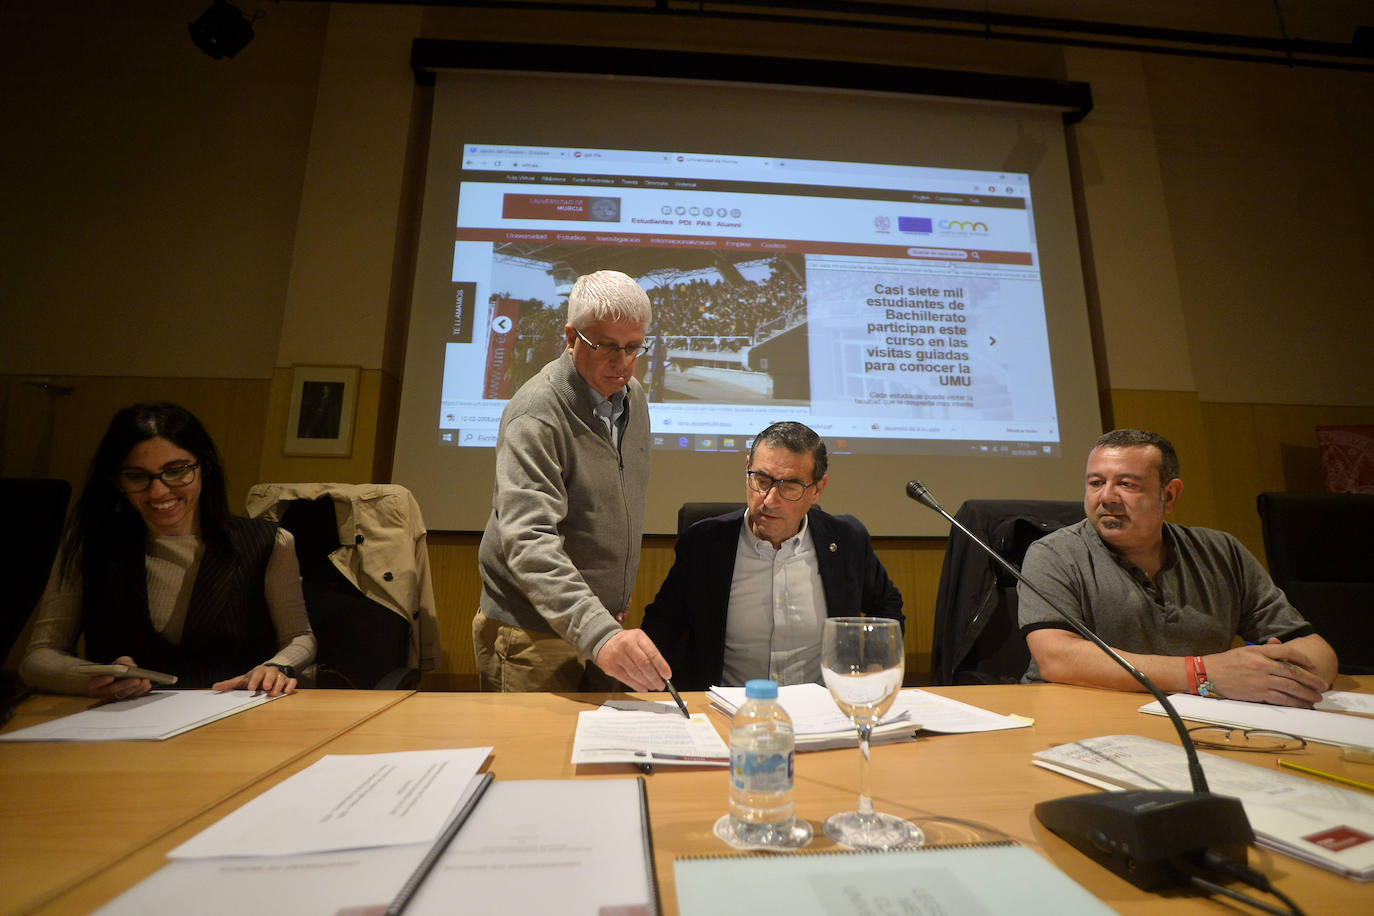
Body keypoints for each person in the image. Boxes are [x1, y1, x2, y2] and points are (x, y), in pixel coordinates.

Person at [1018, 429, 1338, 707]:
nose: (1106, 497)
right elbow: (1057, 659)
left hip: (1200, 720)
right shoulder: (1054, 554)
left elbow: (1314, 648)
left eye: (1126, 484)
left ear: (1169, 495)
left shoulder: (1221, 551)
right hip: (1082, 717)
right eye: (1096, 483)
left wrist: (1281, 675)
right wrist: (1203, 673)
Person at [20, 402, 316, 699]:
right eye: (137, 477)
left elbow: (299, 637)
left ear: (205, 466)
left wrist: (278, 666)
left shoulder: (268, 543)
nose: (159, 492)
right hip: (118, 722)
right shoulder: (90, 543)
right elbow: (39, 657)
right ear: (116, 479)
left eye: (175, 472)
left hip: (230, 715)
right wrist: (91, 678)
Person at [473, 269, 671, 693]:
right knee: (533, 759)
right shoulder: (536, 413)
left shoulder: (633, 397)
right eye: (607, 347)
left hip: (600, 623)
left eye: (634, 347)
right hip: (532, 633)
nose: (622, 363)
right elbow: (528, 540)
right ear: (570, 337)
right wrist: (598, 630)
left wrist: (611, 598)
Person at [642, 421, 904, 690]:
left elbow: (887, 606)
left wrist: (873, 673)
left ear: (817, 489)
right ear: (747, 469)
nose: (769, 500)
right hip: (727, 712)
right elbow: (662, 628)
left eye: (790, 486)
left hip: (823, 714)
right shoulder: (704, 545)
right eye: (762, 481)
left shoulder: (846, 540)